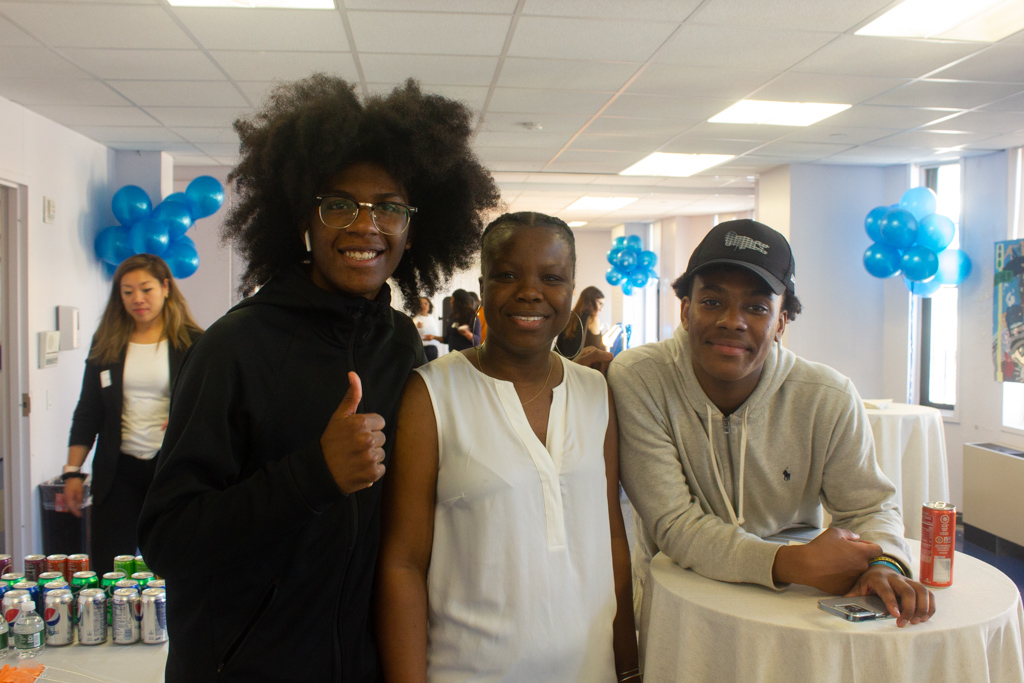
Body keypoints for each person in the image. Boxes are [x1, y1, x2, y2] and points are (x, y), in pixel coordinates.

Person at [137, 74, 500, 681]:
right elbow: (168, 538)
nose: (366, 225)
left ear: (415, 228)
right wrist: (313, 476)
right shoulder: (235, 347)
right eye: (340, 205)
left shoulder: (401, 345)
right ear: (301, 218)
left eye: (389, 206)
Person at [608, 219, 935, 629]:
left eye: (757, 307)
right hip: (683, 595)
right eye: (712, 302)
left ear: (781, 323)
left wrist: (885, 563)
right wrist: (791, 563)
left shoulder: (827, 396)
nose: (733, 320)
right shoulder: (641, 378)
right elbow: (674, 524)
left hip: (794, 609)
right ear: (686, 310)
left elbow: (870, 506)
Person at [376, 212, 639, 682]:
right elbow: (403, 563)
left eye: (551, 277)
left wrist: (629, 668)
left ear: (571, 289)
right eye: (508, 275)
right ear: (483, 286)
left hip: (589, 671)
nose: (530, 292)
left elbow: (613, 540)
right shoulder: (433, 393)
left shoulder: (597, 392)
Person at [65, 254, 202, 575]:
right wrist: (72, 471)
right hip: (118, 472)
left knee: (173, 563)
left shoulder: (194, 342)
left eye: (145, 289)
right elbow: (88, 411)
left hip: (171, 469)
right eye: (127, 292)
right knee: (109, 565)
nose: (137, 299)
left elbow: (213, 403)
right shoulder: (107, 343)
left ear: (166, 288)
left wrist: (186, 416)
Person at [556, 285, 606, 358]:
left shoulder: (570, 316)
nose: (601, 308)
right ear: (590, 302)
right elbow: (597, 347)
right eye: (600, 303)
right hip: (582, 365)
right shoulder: (593, 319)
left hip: (565, 363)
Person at [412, 296, 443, 361]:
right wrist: (417, 327)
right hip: (422, 349)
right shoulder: (415, 319)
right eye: (421, 304)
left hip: (433, 348)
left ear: (429, 305)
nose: (423, 306)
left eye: (425, 303)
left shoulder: (432, 318)